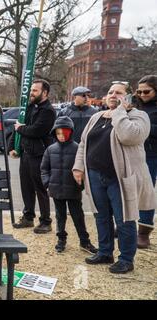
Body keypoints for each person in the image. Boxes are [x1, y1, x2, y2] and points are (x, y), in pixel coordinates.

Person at [72, 81, 156, 274]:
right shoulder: (96, 117)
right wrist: (78, 167)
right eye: (110, 92)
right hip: (94, 175)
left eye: (118, 93)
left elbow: (129, 136)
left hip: (120, 178)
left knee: (124, 218)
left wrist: (120, 111)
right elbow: (84, 143)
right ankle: (105, 252)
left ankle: (126, 258)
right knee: (101, 216)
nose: (113, 95)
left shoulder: (138, 116)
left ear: (128, 97)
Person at [41, 116, 98, 254]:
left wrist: (80, 186)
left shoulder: (78, 149)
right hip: (56, 190)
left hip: (73, 190)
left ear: (70, 132)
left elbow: (84, 168)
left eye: (64, 133)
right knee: (60, 216)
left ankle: (84, 241)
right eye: (58, 133)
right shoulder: (50, 149)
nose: (61, 136)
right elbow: (44, 169)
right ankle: (61, 240)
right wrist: (47, 183)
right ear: (55, 133)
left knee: (78, 216)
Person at [7, 79, 56, 233]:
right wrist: (12, 147)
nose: (31, 93)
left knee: (40, 188)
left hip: (40, 155)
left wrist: (21, 128)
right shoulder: (28, 107)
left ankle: (46, 221)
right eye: (31, 90)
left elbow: (37, 131)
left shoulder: (48, 111)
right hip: (26, 154)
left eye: (35, 90)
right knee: (26, 187)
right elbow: (17, 126)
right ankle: (28, 217)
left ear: (45, 93)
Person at [135, 75, 157, 249]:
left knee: (146, 193)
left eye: (146, 91)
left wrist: (142, 126)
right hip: (132, 152)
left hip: (150, 155)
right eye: (139, 91)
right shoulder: (137, 105)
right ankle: (126, 226)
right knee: (127, 190)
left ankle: (144, 232)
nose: (142, 94)